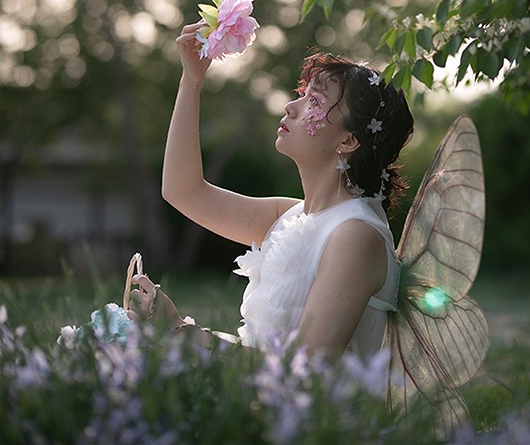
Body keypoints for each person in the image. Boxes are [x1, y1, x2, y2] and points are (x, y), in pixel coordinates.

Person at [128, 20, 414, 359]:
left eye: (316, 101)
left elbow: (306, 372)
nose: (290, 107)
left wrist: (181, 331)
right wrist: (192, 80)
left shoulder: (356, 235)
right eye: (303, 95)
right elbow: (182, 191)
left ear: (348, 140)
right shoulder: (289, 216)